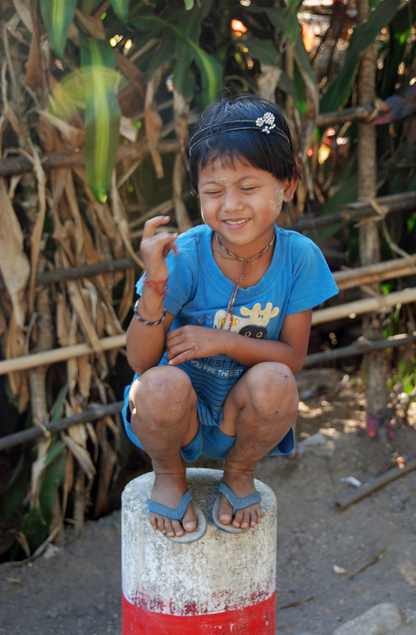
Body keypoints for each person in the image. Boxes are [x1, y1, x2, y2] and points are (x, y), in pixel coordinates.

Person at [122, 94, 338, 543]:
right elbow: (141, 364)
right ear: (198, 194)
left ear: (288, 182)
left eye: (248, 187)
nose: (231, 206)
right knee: (157, 385)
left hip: (241, 416)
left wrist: (219, 340)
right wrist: (156, 287)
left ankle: (239, 472)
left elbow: (292, 358)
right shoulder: (185, 254)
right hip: (175, 416)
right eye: (213, 192)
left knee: (277, 381)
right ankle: (168, 472)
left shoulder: (300, 259)